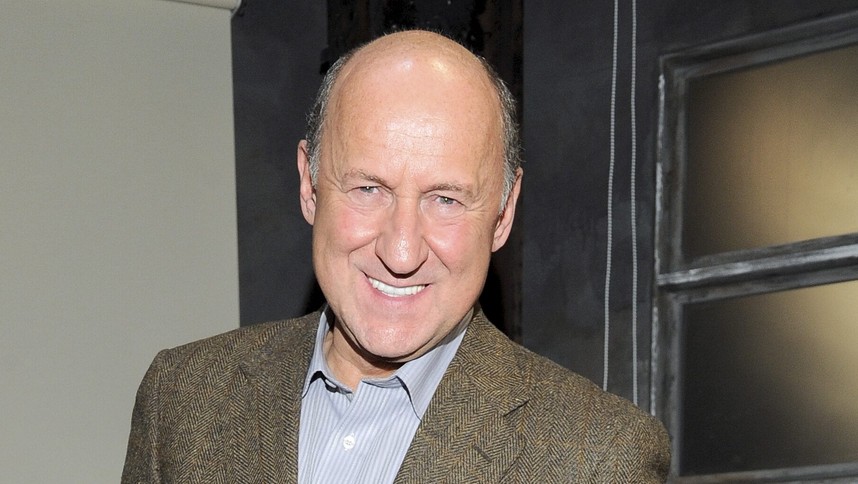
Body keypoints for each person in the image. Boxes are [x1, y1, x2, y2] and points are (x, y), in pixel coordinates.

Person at [122, 30, 670, 483]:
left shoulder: (598, 459)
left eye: (446, 199)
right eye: (368, 189)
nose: (401, 251)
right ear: (309, 185)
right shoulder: (183, 399)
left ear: (503, 213)